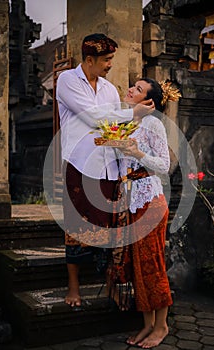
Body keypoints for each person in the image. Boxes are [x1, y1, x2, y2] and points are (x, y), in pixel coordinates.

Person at [56, 33, 154, 308]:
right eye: (107, 60)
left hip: (109, 166)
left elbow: (114, 128)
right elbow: (93, 117)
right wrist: (133, 112)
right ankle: (73, 288)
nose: (110, 64)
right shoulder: (67, 81)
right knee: (77, 227)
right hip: (80, 163)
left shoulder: (109, 89)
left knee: (110, 230)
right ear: (90, 60)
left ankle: (111, 286)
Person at [108, 78, 180, 348]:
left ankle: (162, 326)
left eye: (138, 89)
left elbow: (163, 164)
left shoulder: (153, 124)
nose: (130, 89)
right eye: (133, 86)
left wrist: (137, 152)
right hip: (129, 201)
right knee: (137, 265)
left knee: (152, 265)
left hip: (149, 201)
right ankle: (147, 324)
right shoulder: (126, 122)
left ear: (148, 101)